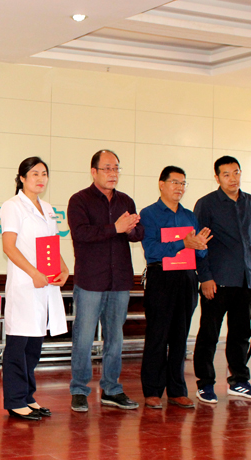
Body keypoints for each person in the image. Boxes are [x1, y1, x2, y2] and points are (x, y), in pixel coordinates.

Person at [67, 149, 144, 412]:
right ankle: (79, 389)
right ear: (94, 171)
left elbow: (137, 234)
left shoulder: (126, 201)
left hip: (120, 280)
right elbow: (81, 233)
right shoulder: (79, 200)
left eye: (116, 168)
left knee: (115, 338)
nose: (113, 174)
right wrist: (116, 228)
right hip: (90, 280)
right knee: (84, 337)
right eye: (107, 168)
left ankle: (111, 389)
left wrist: (131, 228)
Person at [193, 156, 251, 403]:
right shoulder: (206, 204)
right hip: (217, 282)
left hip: (246, 280)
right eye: (226, 174)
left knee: (241, 335)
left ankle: (239, 381)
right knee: (209, 335)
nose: (233, 178)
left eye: (236, 172)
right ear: (217, 177)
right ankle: (205, 384)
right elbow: (199, 244)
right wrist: (205, 277)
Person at [0, 157, 69, 421]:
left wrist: (64, 268)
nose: (41, 178)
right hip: (25, 285)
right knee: (18, 345)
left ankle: (28, 396)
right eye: (35, 173)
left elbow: (52, 244)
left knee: (34, 346)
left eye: (44, 173)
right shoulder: (12, 206)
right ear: (22, 178)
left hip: (45, 285)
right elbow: (9, 247)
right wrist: (33, 273)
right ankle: (15, 400)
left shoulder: (47, 208)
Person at [139, 166, 211, 410]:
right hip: (161, 277)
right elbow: (151, 249)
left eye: (183, 183)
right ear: (161, 184)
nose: (179, 187)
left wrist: (201, 246)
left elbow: (200, 254)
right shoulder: (149, 213)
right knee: (157, 335)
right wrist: (183, 243)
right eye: (175, 182)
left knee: (181, 336)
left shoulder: (189, 216)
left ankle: (177, 390)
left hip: (187, 278)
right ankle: (152, 390)